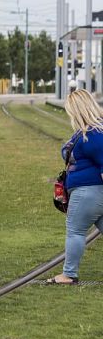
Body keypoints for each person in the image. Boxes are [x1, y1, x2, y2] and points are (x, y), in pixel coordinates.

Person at [47, 89, 103, 285]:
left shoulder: (94, 134)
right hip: (93, 193)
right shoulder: (88, 131)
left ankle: (68, 274)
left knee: (76, 231)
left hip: (88, 193)